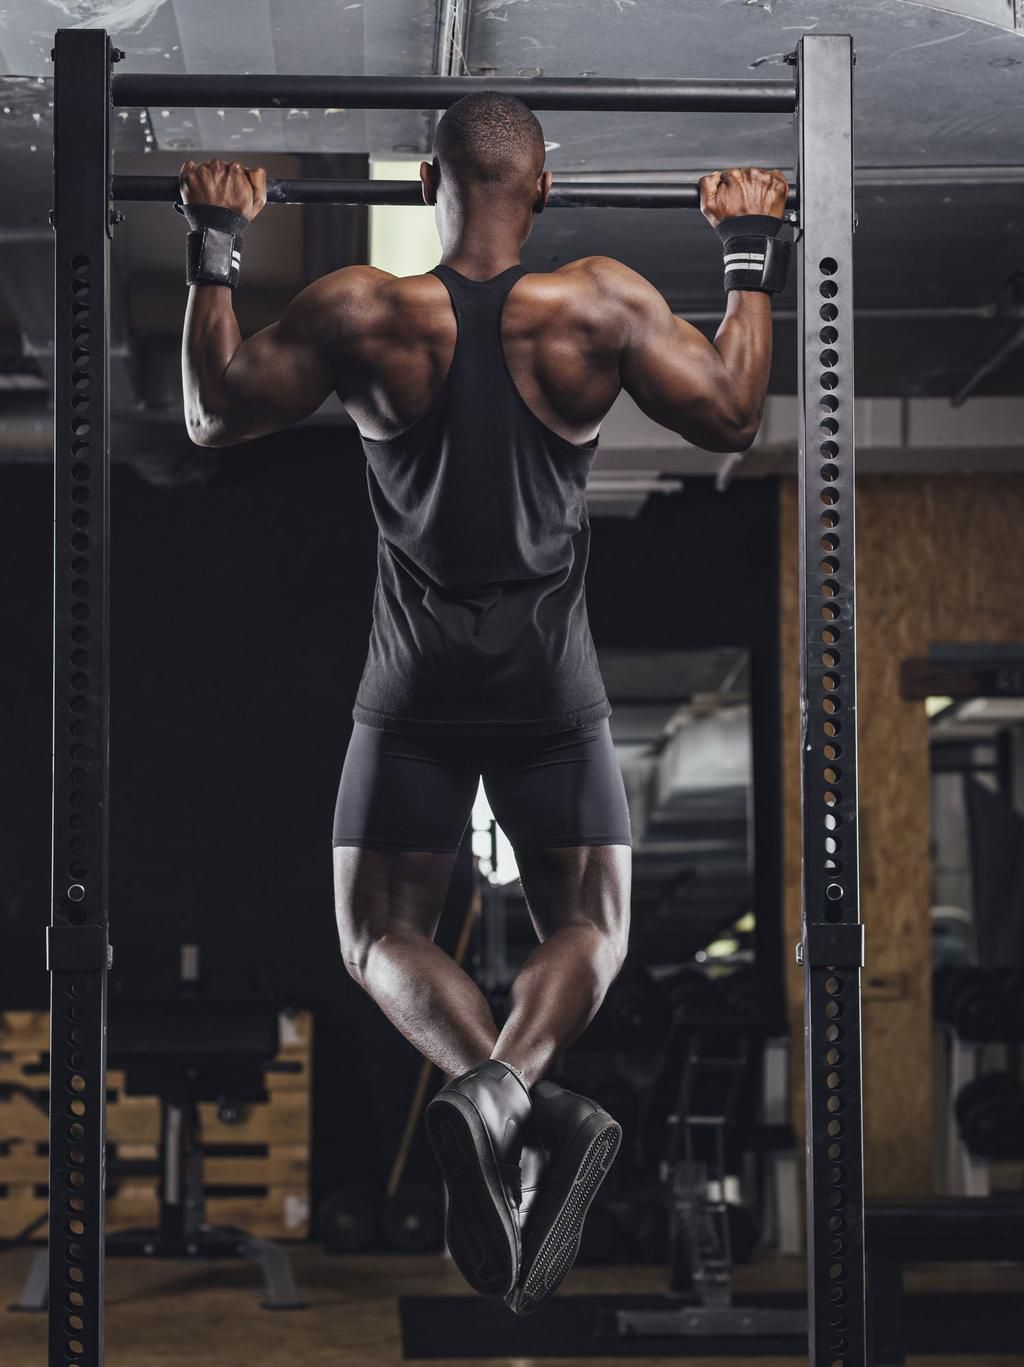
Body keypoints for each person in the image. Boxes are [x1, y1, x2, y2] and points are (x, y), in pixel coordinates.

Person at [178, 92, 788, 1314]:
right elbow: (731, 407)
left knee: (372, 933)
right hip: (548, 681)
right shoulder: (598, 304)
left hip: (411, 680)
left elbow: (211, 412)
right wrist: (746, 251)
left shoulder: (362, 306)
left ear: (423, 188)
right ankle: (517, 1089)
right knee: (596, 928)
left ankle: (492, 1089)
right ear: (546, 188)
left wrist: (213, 243)